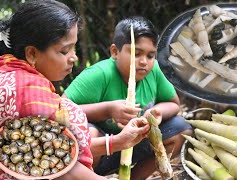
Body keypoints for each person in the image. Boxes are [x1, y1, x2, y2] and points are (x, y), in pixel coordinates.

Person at [0, 1, 150, 179]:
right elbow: (64, 168)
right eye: (65, 51)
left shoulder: (3, 73)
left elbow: (49, 147)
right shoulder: (29, 93)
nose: (73, 57)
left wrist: (119, 141)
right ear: (32, 54)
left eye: (74, 48)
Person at [63, 16, 193, 179]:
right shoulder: (98, 75)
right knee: (88, 132)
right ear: (115, 52)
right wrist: (108, 110)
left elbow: (173, 104)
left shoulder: (154, 72)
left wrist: (154, 112)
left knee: (181, 128)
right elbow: (60, 111)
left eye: (150, 55)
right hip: (100, 150)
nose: (144, 62)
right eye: (136, 54)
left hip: (136, 143)